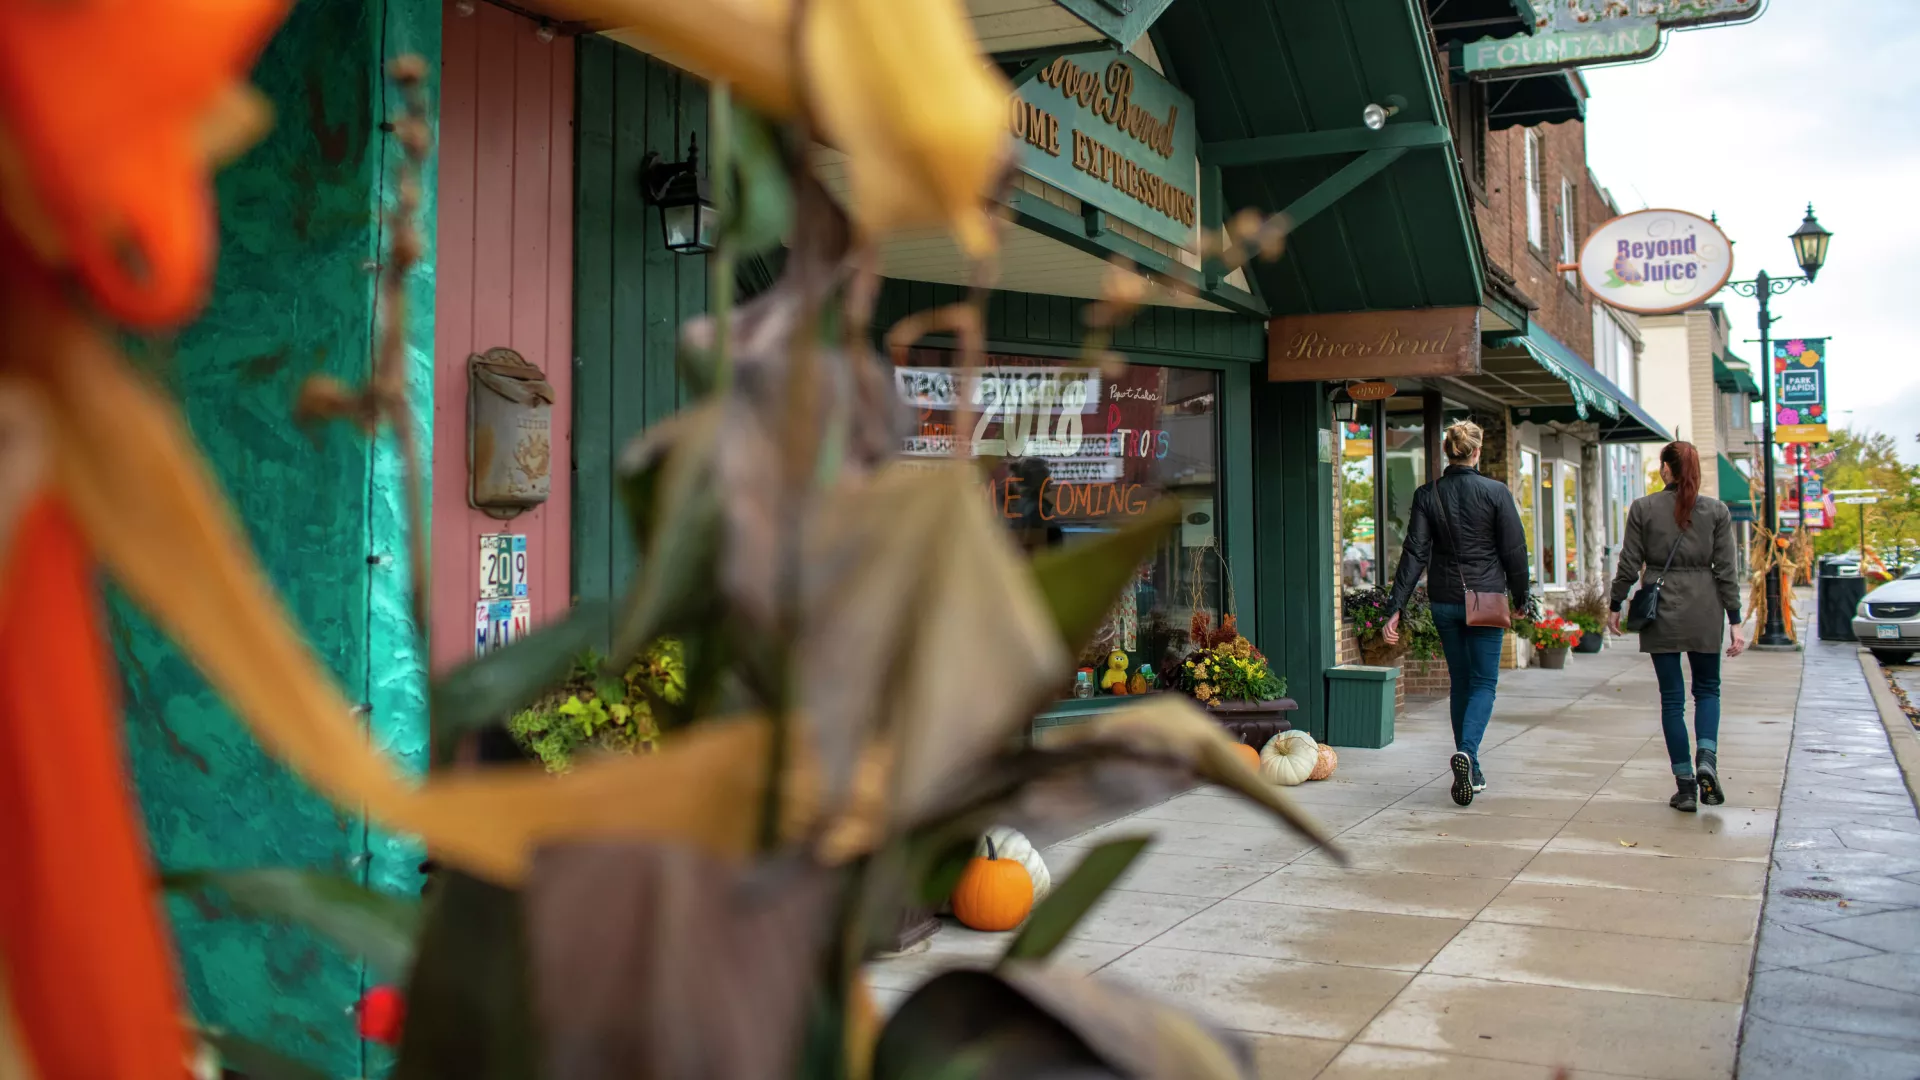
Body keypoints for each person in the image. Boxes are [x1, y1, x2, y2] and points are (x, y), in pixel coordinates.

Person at [1382, 420, 1531, 805]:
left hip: (1445, 600)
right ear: (1477, 452)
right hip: (1486, 600)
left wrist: (1396, 605)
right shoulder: (1496, 493)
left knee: (1461, 683)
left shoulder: (1427, 494)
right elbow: (1515, 551)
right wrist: (1521, 597)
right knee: (1484, 684)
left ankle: (1473, 767)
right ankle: (1467, 752)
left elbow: (1415, 553)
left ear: (1449, 451)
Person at [1607, 441, 1746, 812]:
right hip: (1706, 609)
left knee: (1672, 700)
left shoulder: (1644, 508)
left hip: (1661, 609)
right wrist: (1734, 621)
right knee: (1708, 690)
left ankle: (1685, 787)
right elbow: (1727, 571)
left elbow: (1629, 562)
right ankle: (1707, 759)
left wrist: (1616, 603)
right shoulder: (1716, 511)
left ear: (1668, 469)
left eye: (1662, 465)